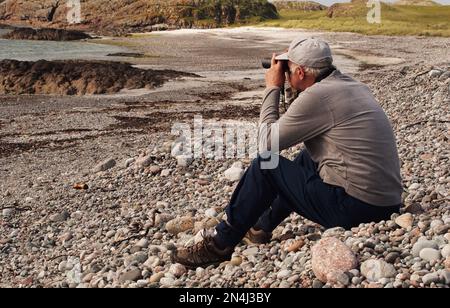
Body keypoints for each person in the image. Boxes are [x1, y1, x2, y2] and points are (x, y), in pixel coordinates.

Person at [172, 37, 403, 268]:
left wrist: (273, 87)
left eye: (288, 69)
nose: (284, 73)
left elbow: (267, 143)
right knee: (307, 157)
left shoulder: (318, 96)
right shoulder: (350, 85)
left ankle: (220, 243)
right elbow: (298, 122)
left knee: (266, 164)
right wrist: (290, 83)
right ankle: (260, 227)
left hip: (355, 210)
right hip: (386, 203)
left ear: (300, 72)